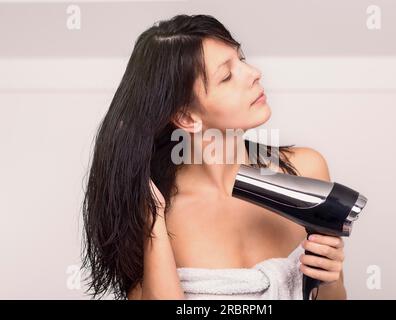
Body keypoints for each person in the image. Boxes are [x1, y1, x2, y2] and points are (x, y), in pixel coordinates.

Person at [81, 14, 346, 300]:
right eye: (227, 76)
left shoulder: (304, 170)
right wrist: (153, 225)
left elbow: (334, 297)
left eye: (241, 59)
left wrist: (329, 278)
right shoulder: (157, 210)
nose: (254, 72)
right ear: (186, 117)